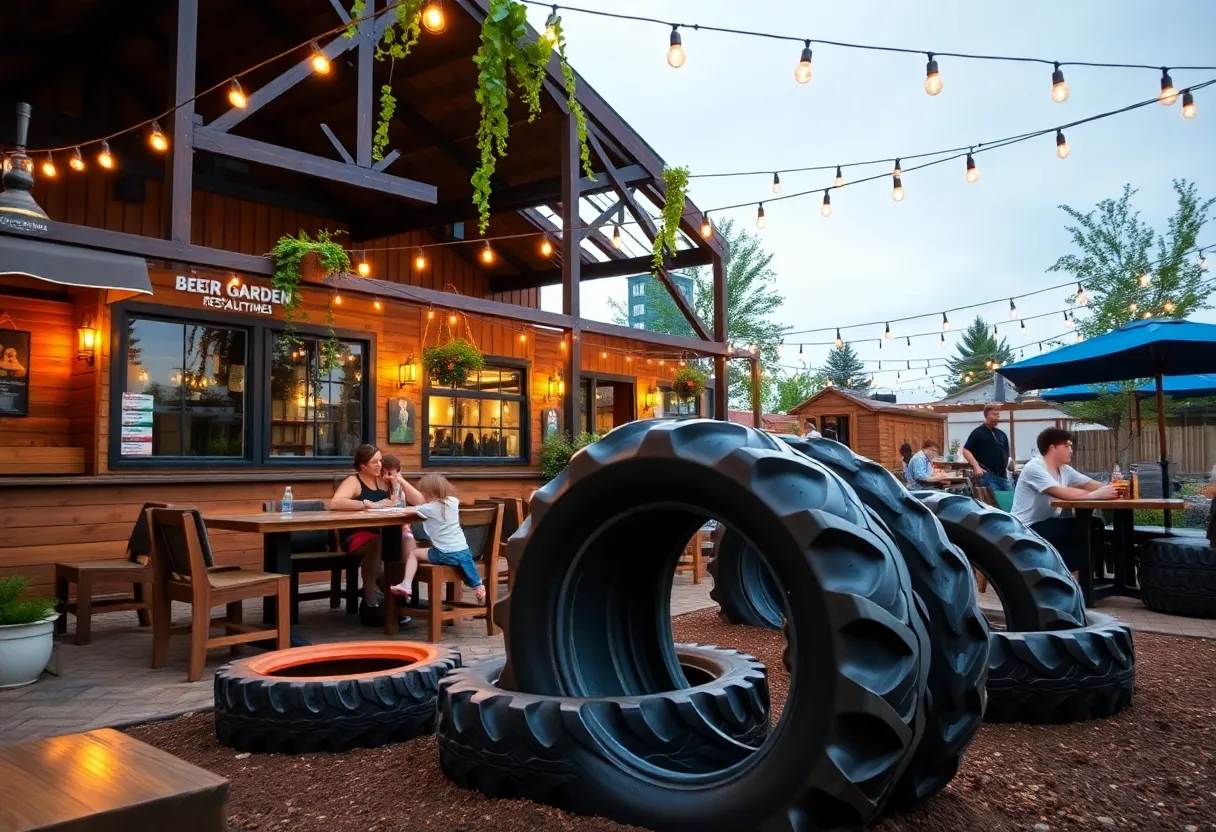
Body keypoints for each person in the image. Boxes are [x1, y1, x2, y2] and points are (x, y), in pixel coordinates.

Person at [1011, 427, 1118, 581]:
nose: (1071, 450)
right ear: (1052, 448)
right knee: (1087, 528)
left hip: (1047, 523)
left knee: (1094, 524)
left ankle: (1076, 575)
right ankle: (1075, 577)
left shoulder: (1064, 469)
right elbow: (1060, 492)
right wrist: (1096, 495)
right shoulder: (1034, 467)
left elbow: (1088, 483)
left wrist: (1114, 488)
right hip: (1027, 527)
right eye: (1067, 446)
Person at [331, 444, 401, 626]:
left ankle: (394, 603)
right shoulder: (354, 481)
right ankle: (373, 605)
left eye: (380, 460)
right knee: (376, 545)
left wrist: (397, 486)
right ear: (363, 466)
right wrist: (367, 504)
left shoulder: (383, 481)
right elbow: (336, 503)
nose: (380, 464)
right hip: (355, 536)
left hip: (383, 533)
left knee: (400, 548)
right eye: (375, 462)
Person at [390, 474, 486, 604]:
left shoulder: (428, 508)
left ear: (428, 493)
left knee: (414, 553)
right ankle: (478, 585)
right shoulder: (453, 501)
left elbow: (406, 510)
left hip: (444, 554)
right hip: (463, 551)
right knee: (465, 560)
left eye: (423, 493)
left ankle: (406, 584)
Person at [963, 403, 1013, 491]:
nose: (996, 417)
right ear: (986, 415)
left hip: (1002, 476)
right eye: (994, 414)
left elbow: (1006, 454)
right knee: (993, 501)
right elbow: (966, 450)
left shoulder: (1002, 434)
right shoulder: (978, 432)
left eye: (998, 415)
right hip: (986, 475)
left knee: (1008, 497)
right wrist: (976, 467)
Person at [379, 454, 416, 561]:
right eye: (384, 473)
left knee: (407, 538)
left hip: (401, 526)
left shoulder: (398, 485)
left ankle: (409, 574)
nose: (386, 476)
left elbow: (398, 504)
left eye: (390, 473)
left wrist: (397, 482)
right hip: (381, 527)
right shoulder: (378, 485)